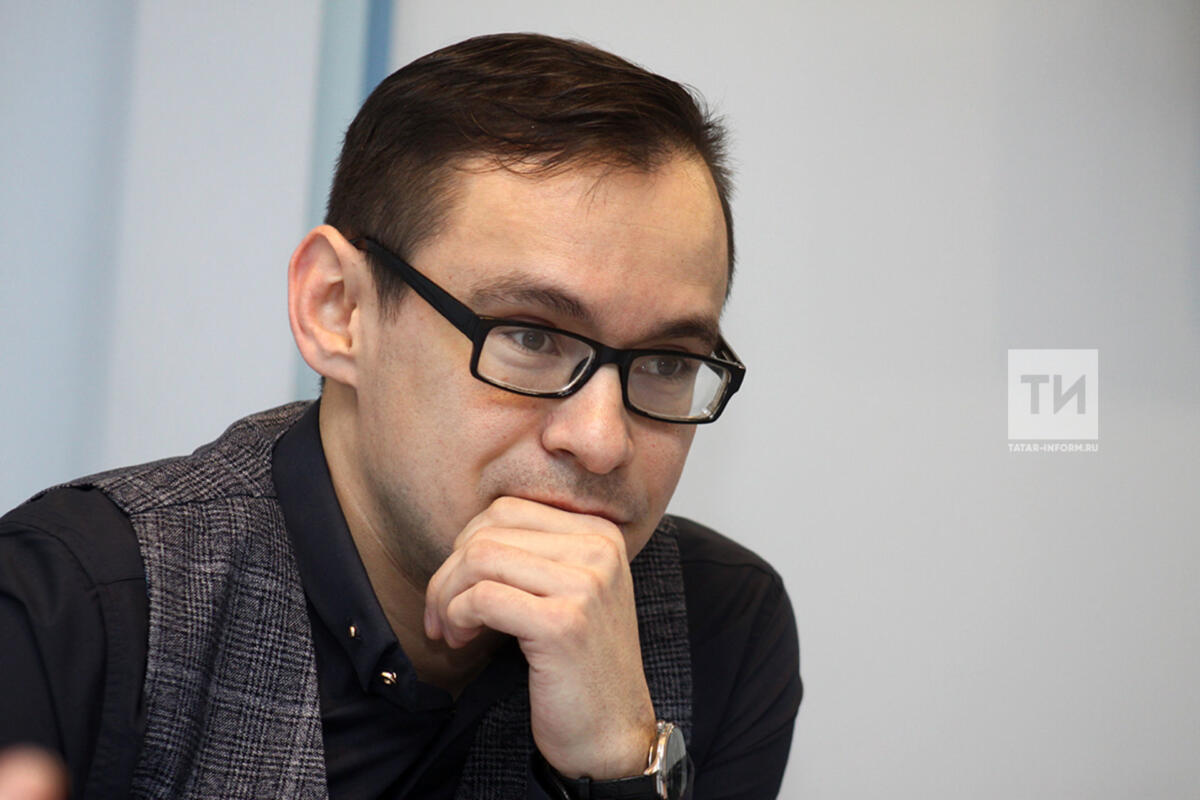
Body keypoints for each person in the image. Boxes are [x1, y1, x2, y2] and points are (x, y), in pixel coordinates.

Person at [0, 32, 801, 800]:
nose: (599, 441)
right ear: (338, 309)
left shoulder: (720, 623)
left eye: (666, 363)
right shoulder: (75, 603)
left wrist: (621, 769)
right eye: (529, 337)